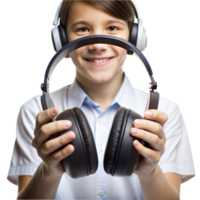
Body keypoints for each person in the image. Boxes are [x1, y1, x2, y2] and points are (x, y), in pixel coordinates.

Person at [5, 0, 197, 199]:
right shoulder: (36, 111)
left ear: (134, 37)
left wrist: (149, 172)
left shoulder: (166, 112)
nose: (98, 45)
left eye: (112, 27)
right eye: (82, 29)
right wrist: (48, 171)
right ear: (62, 40)